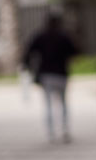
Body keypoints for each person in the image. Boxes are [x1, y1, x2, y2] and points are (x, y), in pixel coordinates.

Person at [23, 13, 79, 144]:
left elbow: (28, 52)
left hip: (46, 74)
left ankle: (50, 133)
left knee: (48, 104)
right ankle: (64, 130)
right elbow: (75, 51)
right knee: (63, 103)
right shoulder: (64, 36)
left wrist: (27, 66)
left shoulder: (40, 36)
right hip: (61, 74)